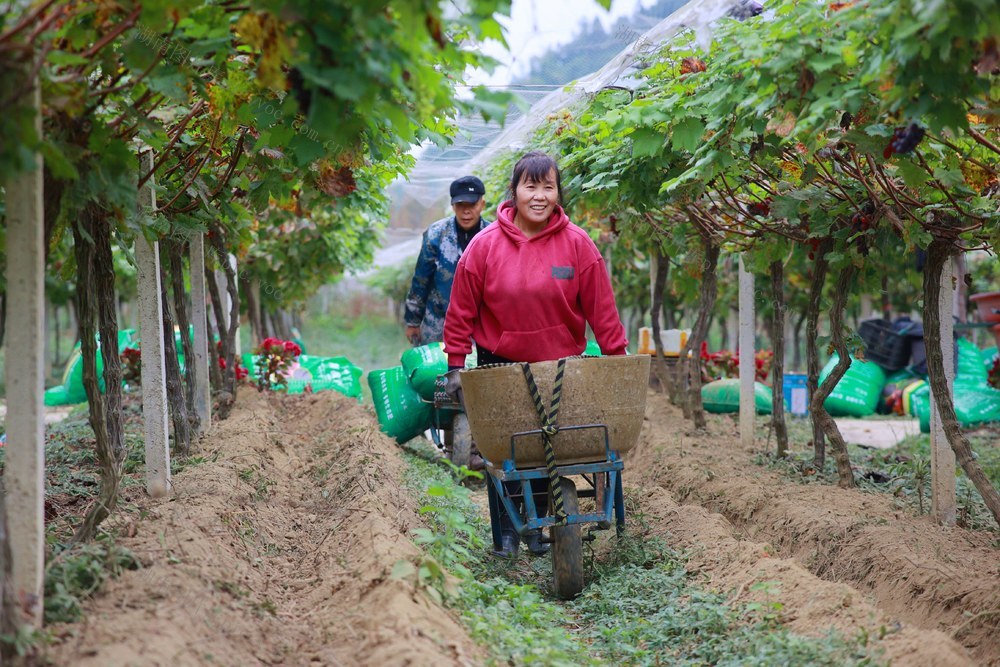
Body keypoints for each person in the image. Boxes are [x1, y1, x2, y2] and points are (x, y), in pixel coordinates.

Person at [443, 151, 628, 558]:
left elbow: (603, 309)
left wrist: (620, 362)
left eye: (548, 186)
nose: (540, 196)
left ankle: (539, 524)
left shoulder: (578, 245)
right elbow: (461, 310)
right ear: (515, 191)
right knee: (505, 451)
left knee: (548, 447)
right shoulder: (484, 247)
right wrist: (456, 365)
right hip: (499, 362)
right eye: (531, 186)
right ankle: (506, 534)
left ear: (559, 192)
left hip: (557, 366)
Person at [403, 176, 490, 345]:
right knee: (437, 370)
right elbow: (421, 279)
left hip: (480, 326)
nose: (466, 211)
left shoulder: (492, 236)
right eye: (460, 205)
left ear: (482, 204)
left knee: (476, 371)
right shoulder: (436, 234)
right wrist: (413, 321)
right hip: (438, 324)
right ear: (452, 206)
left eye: (471, 205)